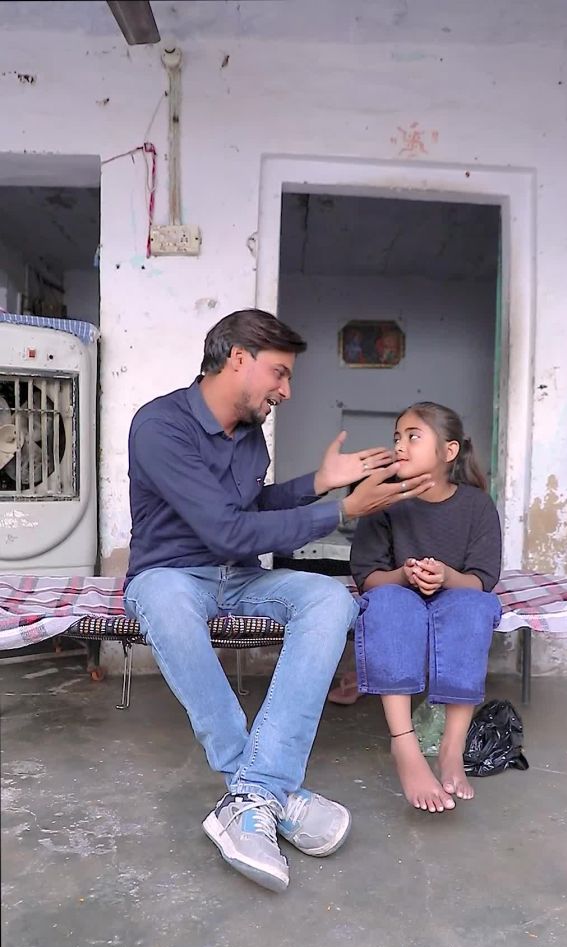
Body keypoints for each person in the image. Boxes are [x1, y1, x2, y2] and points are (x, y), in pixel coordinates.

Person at [124, 309, 434, 891]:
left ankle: (253, 795)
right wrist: (342, 510)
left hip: (239, 578)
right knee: (164, 601)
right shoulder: (160, 426)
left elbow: (249, 511)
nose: (286, 391)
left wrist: (317, 484)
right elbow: (225, 531)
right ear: (238, 359)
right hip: (170, 575)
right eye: (280, 373)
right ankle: (266, 791)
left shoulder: (249, 437)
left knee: (330, 599)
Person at [350, 402, 502, 814]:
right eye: (397, 437)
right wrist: (404, 575)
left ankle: (452, 747)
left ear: (449, 451)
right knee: (386, 604)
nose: (400, 445)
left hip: (458, 594)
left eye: (413, 436)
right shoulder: (383, 501)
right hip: (398, 593)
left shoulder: (476, 506)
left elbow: (482, 579)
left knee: (474, 607)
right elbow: (368, 577)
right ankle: (405, 746)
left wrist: (447, 577)